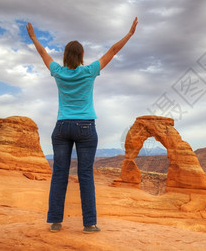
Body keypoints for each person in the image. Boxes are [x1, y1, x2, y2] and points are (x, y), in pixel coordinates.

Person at [26, 17, 138, 233]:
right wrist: (130, 34)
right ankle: (89, 224)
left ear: (66, 56)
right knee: (85, 174)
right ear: (82, 56)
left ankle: (56, 222)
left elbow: (42, 54)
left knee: (60, 173)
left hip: (61, 127)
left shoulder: (58, 72)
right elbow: (113, 50)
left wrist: (33, 37)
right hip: (86, 127)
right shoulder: (89, 71)